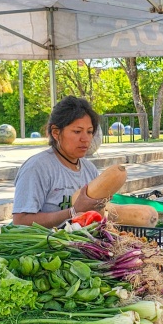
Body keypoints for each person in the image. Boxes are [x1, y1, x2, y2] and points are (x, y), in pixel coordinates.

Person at [12, 96, 106, 227]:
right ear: (56, 133)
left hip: (81, 244)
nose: (85, 139)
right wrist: (73, 211)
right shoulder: (37, 168)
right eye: (77, 131)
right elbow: (20, 221)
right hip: (46, 246)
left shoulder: (90, 169)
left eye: (90, 132)